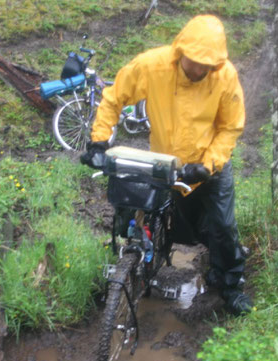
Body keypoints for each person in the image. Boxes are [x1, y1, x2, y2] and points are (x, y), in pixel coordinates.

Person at [81, 15, 252, 316]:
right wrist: (98, 142)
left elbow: (230, 127)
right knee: (142, 213)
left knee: (222, 227)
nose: (199, 69)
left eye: (207, 64)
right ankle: (132, 262)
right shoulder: (153, 66)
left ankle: (230, 287)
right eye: (194, 61)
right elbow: (114, 96)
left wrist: (208, 165)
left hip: (209, 166)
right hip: (166, 164)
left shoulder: (225, 77)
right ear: (180, 51)